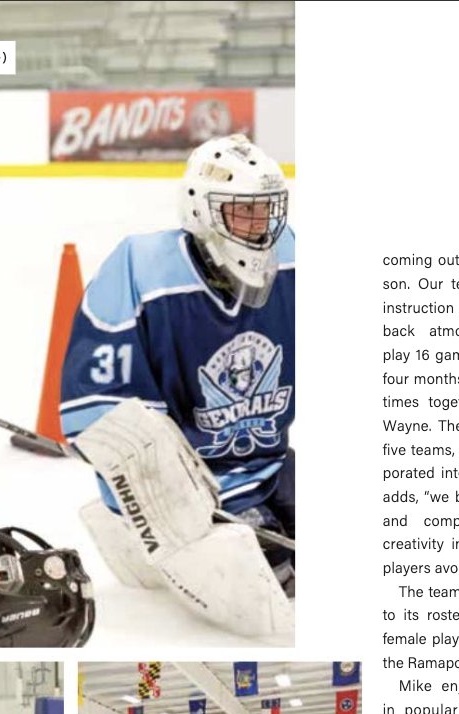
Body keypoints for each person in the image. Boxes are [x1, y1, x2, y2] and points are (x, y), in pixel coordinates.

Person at [60, 133, 295, 640]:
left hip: (269, 464)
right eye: (243, 212)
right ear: (203, 211)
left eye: (267, 212)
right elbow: (96, 405)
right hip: (190, 487)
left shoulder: (295, 258)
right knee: (274, 594)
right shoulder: (139, 268)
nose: (261, 228)